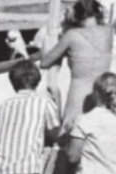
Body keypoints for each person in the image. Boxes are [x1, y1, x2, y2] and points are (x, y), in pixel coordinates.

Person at [39, 0, 112, 132]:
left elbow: (45, 62)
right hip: (102, 91)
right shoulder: (108, 33)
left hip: (78, 94)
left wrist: (65, 28)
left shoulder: (71, 36)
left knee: (72, 133)